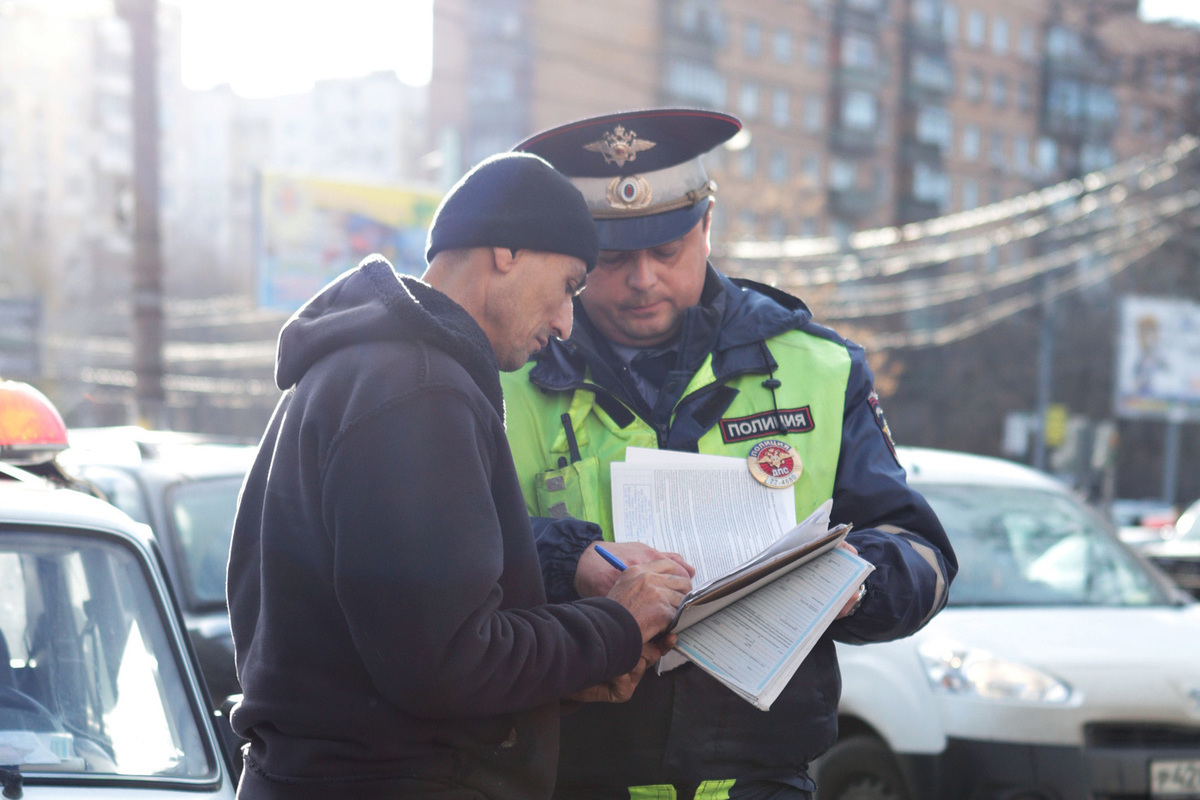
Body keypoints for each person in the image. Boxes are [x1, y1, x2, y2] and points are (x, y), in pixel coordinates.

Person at [500, 109, 958, 800]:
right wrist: (576, 565)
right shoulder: (509, 375)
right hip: (571, 773)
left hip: (761, 774)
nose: (644, 280)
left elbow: (922, 553)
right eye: (614, 258)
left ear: (708, 223)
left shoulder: (820, 367)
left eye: (669, 249)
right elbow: (463, 559)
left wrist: (848, 583)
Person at [226, 152, 694, 800]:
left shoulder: (369, 370)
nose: (565, 325)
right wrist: (616, 625)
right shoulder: (417, 389)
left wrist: (573, 672)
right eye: (568, 285)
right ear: (506, 248)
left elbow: (393, 653)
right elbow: (447, 664)